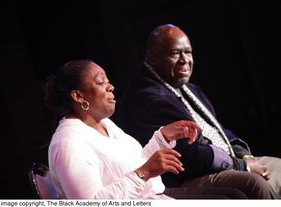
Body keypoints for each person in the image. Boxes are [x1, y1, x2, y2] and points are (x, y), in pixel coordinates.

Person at [115, 24, 280, 198]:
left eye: (188, 52)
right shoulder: (150, 98)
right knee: (254, 185)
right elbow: (190, 156)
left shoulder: (188, 88)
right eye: (174, 53)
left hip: (226, 161)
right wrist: (243, 166)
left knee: (278, 168)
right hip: (188, 176)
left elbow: (218, 132)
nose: (184, 60)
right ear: (152, 58)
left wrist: (244, 156)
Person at [45, 59, 248, 199]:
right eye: (101, 82)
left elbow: (130, 166)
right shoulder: (68, 143)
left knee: (235, 195)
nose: (110, 87)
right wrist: (145, 171)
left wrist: (161, 138)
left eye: (107, 81)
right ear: (78, 96)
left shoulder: (104, 124)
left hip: (153, 195)